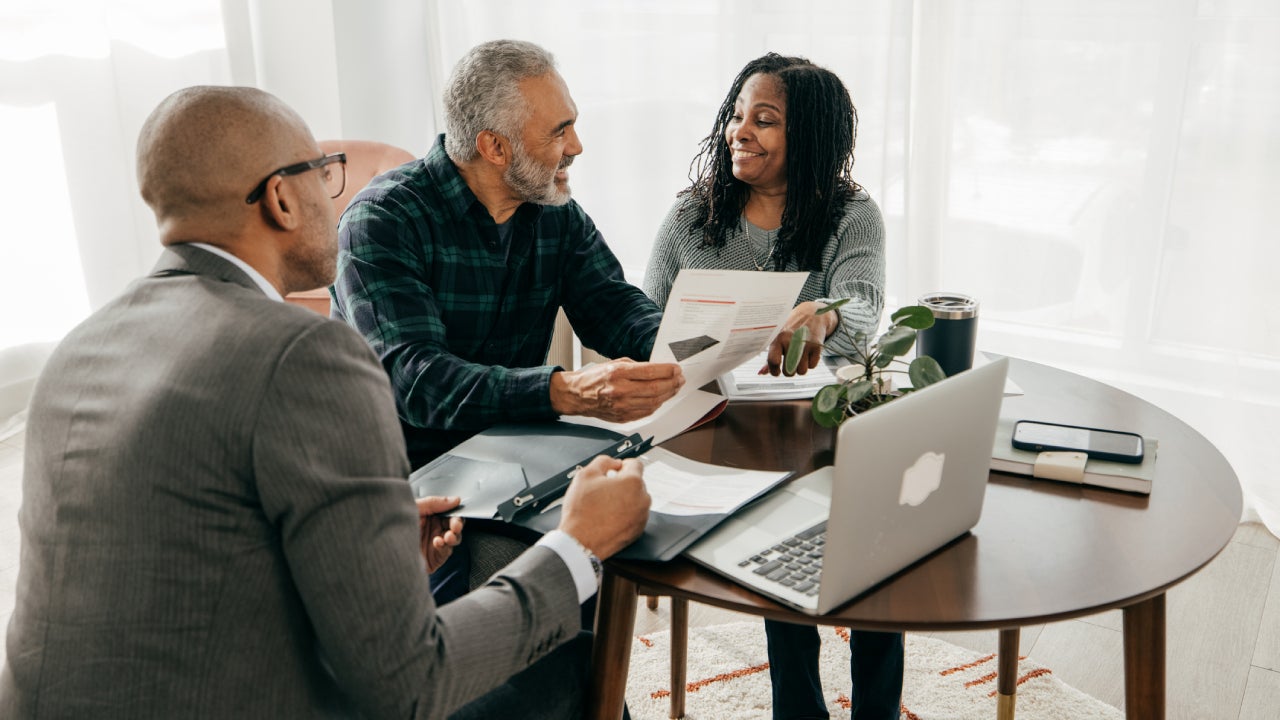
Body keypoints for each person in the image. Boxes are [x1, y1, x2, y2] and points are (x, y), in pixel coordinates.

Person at [0, 85, 652, 720]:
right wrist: (574, 546)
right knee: (573, 664)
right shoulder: (304, 355)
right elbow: (410, 686)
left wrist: (374, 546)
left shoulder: (77, 349)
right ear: (282, 197)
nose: (335, 193)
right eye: (324, 172)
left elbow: (192, 553)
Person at [330, 38, 683, 605]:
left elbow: (616, 309)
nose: (577, 146)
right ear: (494, 147)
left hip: (514, 456)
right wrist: (564, 392)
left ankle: (593, 694)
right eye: (558, 131)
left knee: (617, 548)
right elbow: (419, 382)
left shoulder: (554, 211)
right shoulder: (382, 220)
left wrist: (699, 343)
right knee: (509, 607)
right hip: (405, 476)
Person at [643, 54, 901, 720]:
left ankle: (877, 709)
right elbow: (646, 319)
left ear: (808, 137)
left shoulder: (850, 214)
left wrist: (829, 311)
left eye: (765, 120)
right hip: (728, 431)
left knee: (879, 557)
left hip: (828, 428)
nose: (740, 131)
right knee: (777, 556)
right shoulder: (690, 218)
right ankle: (799, 708)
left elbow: (865, 306)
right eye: (736, 115)